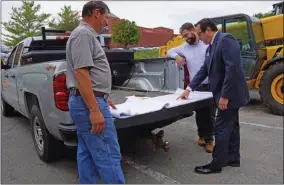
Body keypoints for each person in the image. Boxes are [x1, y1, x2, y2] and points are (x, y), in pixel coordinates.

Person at [177, 18, 250, 174]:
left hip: (229, 95)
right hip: (228, 95)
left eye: (199, 33)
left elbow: (233, 68)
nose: (198, 37)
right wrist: (189, 89)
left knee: (221, 128)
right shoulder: (210, 47)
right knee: (232, 127)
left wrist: (225, 95)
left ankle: (216, 164)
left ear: (208, 30)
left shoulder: (225, 40)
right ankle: (233, 158)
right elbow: (204, 70)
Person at [66, 1, 125, 183]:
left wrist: (102, 97)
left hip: (87, 101)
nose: (106, 23)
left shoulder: (85, 35)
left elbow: (88, 75)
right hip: (87, 105)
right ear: (96, 13)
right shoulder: (83, 34)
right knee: (108, 155)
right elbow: (81, 73)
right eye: (106, 17)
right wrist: (94, 108)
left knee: (88, 154)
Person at [167, 22, 215, 153]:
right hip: (196, 86)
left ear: (194, 30)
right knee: (200, 113)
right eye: (183, 36)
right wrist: (177, 56)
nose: (186, 38)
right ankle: (201, 136)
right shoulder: (184, 48)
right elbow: (169, 51)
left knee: (210, 114)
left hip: (211, 85)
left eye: (187, 34)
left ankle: (210, 140)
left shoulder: (206, 44)